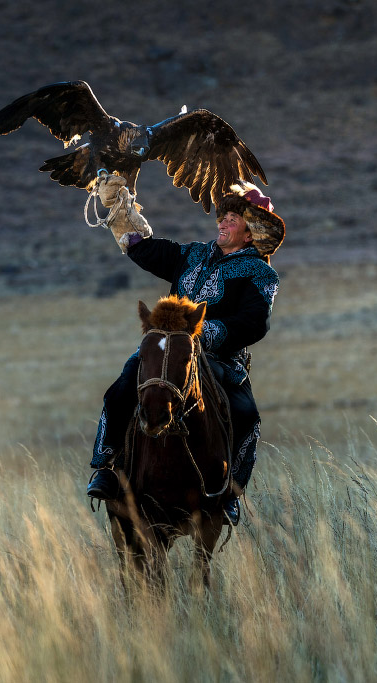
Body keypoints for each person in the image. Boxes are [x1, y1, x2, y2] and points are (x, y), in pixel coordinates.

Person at [86, 175, 285, 526]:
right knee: (120, 390)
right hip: (165, 349)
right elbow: (147, 250)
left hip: (219, 357)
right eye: (222, 217)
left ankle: (229, 493)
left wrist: (207, 332)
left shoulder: (260, 272)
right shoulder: (192, 253)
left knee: (246, 416)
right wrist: (119, 210)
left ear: (250, 232)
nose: (222, 222)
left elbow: (255, 323)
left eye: (232, 219)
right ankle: (106, 466)